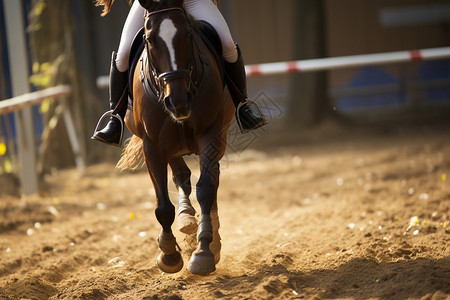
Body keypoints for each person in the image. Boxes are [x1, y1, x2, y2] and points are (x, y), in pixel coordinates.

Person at [92, 0, 267, 147]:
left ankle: (243, 106)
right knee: (122, 56)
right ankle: (115, 119)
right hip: (151, 3)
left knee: (228, 45)